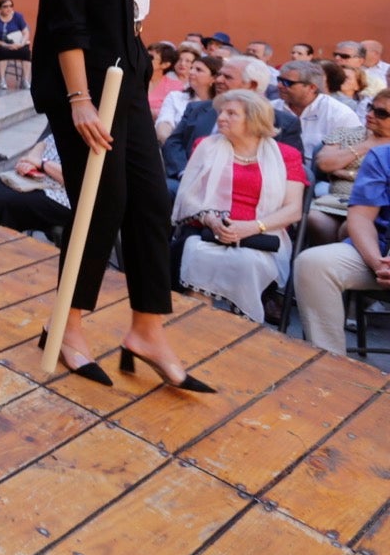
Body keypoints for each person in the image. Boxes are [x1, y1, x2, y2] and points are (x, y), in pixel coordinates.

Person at [31, 0, 212, 392]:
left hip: (128, 84)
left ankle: (147, 328)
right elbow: (65, 21)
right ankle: (67, 326)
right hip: (84, 88)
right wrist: (79, 99)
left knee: (152, 202)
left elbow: (126, 24)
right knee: (100, 201)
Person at [169, 90, 305, 324]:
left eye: (232, 113)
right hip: (207, 230)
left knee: (247, 262)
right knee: (197, 251)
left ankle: (239, 331)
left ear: (254, 119)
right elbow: (188, 196)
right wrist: (211, 219)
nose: (221, 117)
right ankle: (196, 328)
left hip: (263, 234)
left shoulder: (286, 155)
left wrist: (251, 227)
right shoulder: (205, 146)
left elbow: (293, 209)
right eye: (221, 112)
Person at [294, 140, 390, 355]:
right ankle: (330, 369)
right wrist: (378, 264)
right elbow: (361, 218)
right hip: (381, 252)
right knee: (313, 264)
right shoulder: (383, 156)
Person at [162, 55, 301, 193]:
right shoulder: (197, 109)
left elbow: (289, 169)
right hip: (189, 181)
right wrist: (184, 172)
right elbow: (174, 143)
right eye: (219, 75)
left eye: (228, 77)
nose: (218, 80)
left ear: (252, 85)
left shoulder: (282, 122)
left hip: (247, 191)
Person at [309, 98, 390, 245]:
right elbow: (324, 164)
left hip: (373, 209)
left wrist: (342, 172)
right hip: (334, 201)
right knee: (314, 218)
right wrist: (368, 145)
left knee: (351, 227)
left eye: (381, 113)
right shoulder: (346, 133)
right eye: (370, 107)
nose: (370, 114)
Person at [0, 137, 70, 247]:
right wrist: (30, 160)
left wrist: (41, 164)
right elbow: (43, 143)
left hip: (61, 196)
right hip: (35, 178)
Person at [276, 59, 362, 166]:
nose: (279, 85)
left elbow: (351, 157)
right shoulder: (270, 108)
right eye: (279, 80)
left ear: (312, 87)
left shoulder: (340, 115)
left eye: (287, 83)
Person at [155, 51, 220, 144]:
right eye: (192, 68)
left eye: (198, 70)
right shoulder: (175, 97)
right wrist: (172, 146)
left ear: (213, 78)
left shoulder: (220, 104)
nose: (191, 72)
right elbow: (164, 122)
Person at [0, 0, 32, 88]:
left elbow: (26, 32)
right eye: (5, 6)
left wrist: (21, 44)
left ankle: (25, 80)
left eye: (10, 6)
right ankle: (2, 80)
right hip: (0, 44)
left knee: (26, 52)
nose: (8, 8)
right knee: (3, 52)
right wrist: (6, 45)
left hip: (17, 43)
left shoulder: (18, 16)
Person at [146, 40, 180, 118]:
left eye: (151, 57)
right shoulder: (135, 80)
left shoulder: (175, 87)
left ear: (165, 65)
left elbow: (173, 113)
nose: (145, 59)